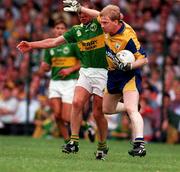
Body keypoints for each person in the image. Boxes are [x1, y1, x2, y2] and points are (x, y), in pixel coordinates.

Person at [17, 1, 109, 160]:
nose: (82, 15)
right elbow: (52, 42)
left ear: (90, 11)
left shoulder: (100, 24)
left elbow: (106, 16)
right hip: (86, 72)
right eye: (79, 13)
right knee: (76, 103)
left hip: (102, 72)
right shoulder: (76, 30)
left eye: (84, 12)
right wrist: (31, 44)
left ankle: (102, 145)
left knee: (97, 112)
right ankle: (73, 141)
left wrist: (83, 8)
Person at [63, 2, 148, 157]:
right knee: (106, 109)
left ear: (115, 22)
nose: (101, 25)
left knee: (132, 109)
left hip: (128, 75)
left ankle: (139, 144)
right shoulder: (107, 26)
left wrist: (130, 65)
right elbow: (100, 15)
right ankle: (131, 106)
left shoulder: (127, 36)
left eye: (105, 23)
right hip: (112, 75)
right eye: (101, 22)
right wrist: (80, 9)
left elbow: (144, 59)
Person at [38, 20, 80, 144]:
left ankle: (86, 125)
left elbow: (82, 62)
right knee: (57, 115)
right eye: (57, 28)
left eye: (62, 28)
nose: (60, 30)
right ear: (53, 30)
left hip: (69, 82)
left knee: (66, 118)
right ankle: (68, 142)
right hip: (55, 82)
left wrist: (70, 69)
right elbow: (46, 66)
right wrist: (44, 66)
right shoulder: (50, 46)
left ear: (66, 31)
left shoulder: (72, 44)